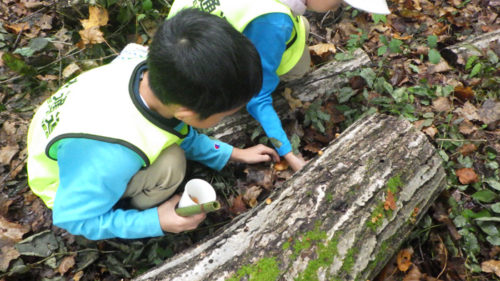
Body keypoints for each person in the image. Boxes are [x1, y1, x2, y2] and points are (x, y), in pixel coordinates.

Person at [26, 8, 279, 240]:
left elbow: (176, 130)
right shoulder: (114, 154)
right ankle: (124, 206)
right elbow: (73, 218)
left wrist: (232, 154)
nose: (223, 118)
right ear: (186, 113)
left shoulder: (140, 63)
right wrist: (154, 220)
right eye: (224, 114)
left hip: (66, 136)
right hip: (64, 182)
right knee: (172, 165)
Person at [167, 0, 390, 171]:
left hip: (177, 44)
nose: (336, 7)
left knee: (300, 23)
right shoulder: (275, 21)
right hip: (203, 72)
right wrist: (289, 152)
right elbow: (257, 96)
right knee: (296, 45)